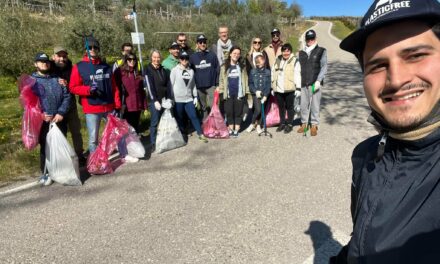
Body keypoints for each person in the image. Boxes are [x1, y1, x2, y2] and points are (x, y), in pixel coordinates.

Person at [331, 0, 440, 263]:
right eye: (378, 65)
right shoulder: (366, 155)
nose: (397, 79)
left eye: (415, 55)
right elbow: (361, 242)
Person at [69, 36, 121, 154]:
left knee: (115, 133)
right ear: (85, 50)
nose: (92, 49)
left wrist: (117, 104)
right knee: (93, 139)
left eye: (95, 47)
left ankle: (117, 153)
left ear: (98, 49)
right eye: (90, 47)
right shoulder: (79, 67)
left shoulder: (106, 66)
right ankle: (95, 163)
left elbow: (114, 87)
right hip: (92, 108)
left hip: (108, 107)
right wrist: (88, 89)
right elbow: (72, 87)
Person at [32, 52, 71, 186]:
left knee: (60, 145)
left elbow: (67, 97)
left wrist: (61, 113)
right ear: (35, 64)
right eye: (41, 61)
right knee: (45, 146)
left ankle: (60, 170)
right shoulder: (32, 81)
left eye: (47, 61)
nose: (45, 63)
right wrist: (41, 114)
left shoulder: (58, 79)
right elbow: (29, 104)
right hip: (43, 120)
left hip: (59, 119)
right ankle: (46, 172)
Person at [51, 46, 86, 164]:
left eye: (64, 56)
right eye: (59, 56)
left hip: (70, 105)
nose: (61, 59)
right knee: (61, 133)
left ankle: (79, 155)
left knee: (76, 131)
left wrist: (68, 84)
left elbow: (77, 84)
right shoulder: (49, 68)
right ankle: (64, 158)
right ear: (53, 57)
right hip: (56, 108)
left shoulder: (72, 68)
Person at [170, 51, 208, 143]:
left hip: (188, 98)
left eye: (186, 58)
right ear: (179, 60)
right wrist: (171, 99)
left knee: (193, 116)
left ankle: (200, 133)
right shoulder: (174, 70)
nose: (184, 60)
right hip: (178, 99)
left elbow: (193, 85)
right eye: (182, 58)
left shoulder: (191, 71)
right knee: (180, 117)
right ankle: (183, 134)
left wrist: (195, 97)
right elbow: (171, 85)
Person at [297, 29, 327, 136]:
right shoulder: (301, 53)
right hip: (303, 83)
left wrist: (319, 80)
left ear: (315, 39)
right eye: (308, 39)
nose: (310, 41)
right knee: (303, 105)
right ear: (305, 40)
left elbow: (324, 67)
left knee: (315, 105)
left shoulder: (321, 51)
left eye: (312, 38)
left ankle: (314, 125)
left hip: (315, 83)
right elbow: (297, 68)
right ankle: (304, 123)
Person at [218, 46, 250, 137]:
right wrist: (221, 91)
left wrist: (246, 92)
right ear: (230, 54)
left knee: (238, 112)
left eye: (238, 54)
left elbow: (245, 80)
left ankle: (236, 129)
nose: (236, 55)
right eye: (234, 53)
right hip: (228, 94)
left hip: (239, 93)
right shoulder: (224, 67)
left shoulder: (242, 67)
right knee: (229, 112)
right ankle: (231, 129)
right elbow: (221, 80)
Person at [144, 49, 172, 153]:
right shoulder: (148, 70)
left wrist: (169, 98)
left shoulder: (163, 70)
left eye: (158, 57)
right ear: (151, 57)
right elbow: (150, 86)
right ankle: (153, 143)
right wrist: (155, 100)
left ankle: (163, 140)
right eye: (154, 57)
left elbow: (168, 85)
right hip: (154, 101)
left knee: (164, 121)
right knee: (155, 122)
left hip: (164, 100)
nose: (156, 59)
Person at [271, 43, 301, 134]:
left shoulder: (295, 61)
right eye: (284, 51)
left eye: (288, 51)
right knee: (281, 107)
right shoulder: (278, 60)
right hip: (278, 89)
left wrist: (298, 88)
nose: (286, 53)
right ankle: (282, 123)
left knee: (290, 107)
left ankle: (290, 124)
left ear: (290, 51)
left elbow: (297, 75)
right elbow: (273, 73)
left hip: (289, 89)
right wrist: (272, 87)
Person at [114, 52, 147, 133]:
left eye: (134, 59)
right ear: (126, 60)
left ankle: (135, 144)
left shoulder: (138, 73)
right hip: (126, 106)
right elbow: (115, 88)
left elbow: (142, 91)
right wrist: (118, 105)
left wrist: (145, 105)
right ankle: (127, 145)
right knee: (126, 129)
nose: (132, 61)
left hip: (137, 106)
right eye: (129, 59)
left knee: (135, 128)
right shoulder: (119, 72)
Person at [189, 34, 220, 120]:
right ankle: (205, 124)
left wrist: (217, 84)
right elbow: (190, 71)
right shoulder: (193, 57)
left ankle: (214, 123)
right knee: (203, 107)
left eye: (204, 42)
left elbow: (217, 69)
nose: (202, 44)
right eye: (200, 42)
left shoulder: (212, 55)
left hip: (211, 85)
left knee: (213, 105)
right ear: (197, 44)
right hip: (199, 87)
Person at [247, 54, 271, 134]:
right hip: (256, 94)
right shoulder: (253, 71)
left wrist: (265, 95)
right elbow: (250, 83)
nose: (259, 63)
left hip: (264, 94)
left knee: (262, 110)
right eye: (257, 61)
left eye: (261, 61)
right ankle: (252, 123)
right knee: (258, 109)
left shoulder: (267, 72)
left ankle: (258, 125)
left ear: (264, 61)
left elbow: (268, 85)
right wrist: (255, 91)